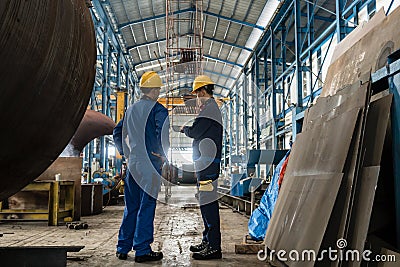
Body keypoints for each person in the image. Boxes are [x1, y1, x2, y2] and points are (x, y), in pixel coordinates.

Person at [114, 71, 169, 263]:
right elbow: (161, 131)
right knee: (146, 205)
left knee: (131, 206)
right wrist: (161, 152)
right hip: (150, 165)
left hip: (133, 164)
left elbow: (117, 131)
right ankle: (142, 249)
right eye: (158, 90)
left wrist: (125, 153)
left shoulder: (131, 109)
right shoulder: (158, 110)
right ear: (153, 91)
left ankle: (123, 247)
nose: (159, 93)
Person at [180, 75, 223, 260]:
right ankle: (208, 240)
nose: (196, 98)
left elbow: (196, 131)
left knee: (208, 204)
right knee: (204, 203)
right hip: (205, 165)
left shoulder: (209, 109)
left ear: (202, 91)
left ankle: (214, 246)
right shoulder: (208, 109)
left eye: (197, 94)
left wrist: (185, 130)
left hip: (208, 166)